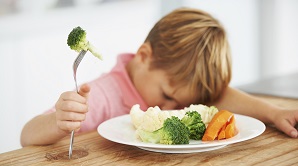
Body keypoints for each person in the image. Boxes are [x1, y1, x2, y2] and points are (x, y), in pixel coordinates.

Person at [20, 7, 298, 147]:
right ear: (143, 55)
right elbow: (26, 136)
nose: (170, 109)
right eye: (167, 96)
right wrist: (58, 122)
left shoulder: (173, 83)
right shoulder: (103, 95)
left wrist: (274, 113)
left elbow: (220, 95)